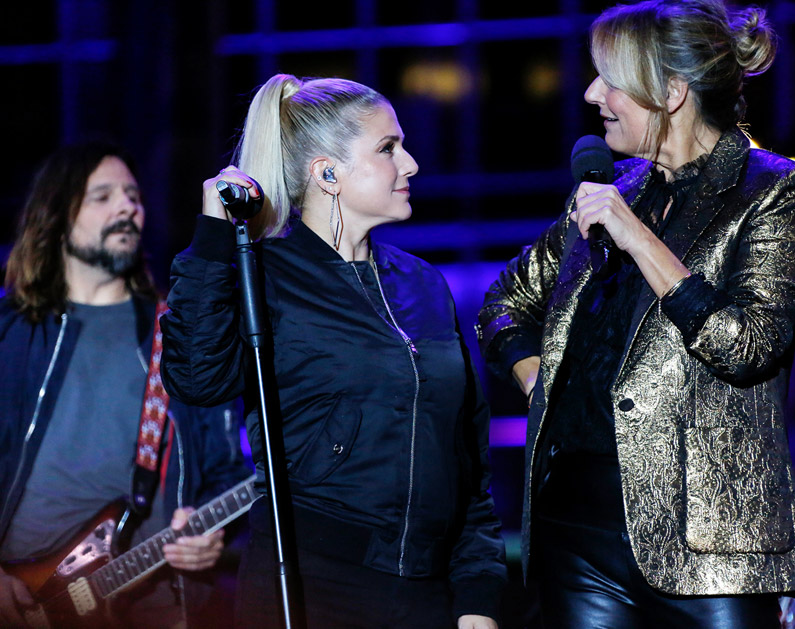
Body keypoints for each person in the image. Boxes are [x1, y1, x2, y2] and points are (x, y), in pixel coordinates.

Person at [477, 2, 795, 627]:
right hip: (578, 531)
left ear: (670, 92)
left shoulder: (776, 190)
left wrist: (638, 238)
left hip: (713, 542)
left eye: (611, 80)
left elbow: (749, 346)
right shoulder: (617, 191)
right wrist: (536, 377)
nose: (592, 95)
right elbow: (506, 302)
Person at [159, 75, 506, 629]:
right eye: (388, 149)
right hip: (313, 587)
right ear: (327, 174)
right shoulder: (266, 277)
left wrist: (479, 596)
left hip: (430, 593)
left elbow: (467, 456)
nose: (411, 163)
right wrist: (212, 236)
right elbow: (196, 379)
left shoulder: (422, 283)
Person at [0, 142, 249, 628]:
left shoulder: (181, 334)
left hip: (155, 611)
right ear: (55, 216)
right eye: (102, 196)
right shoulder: (10, 334)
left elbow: (229, 473)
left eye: (133, 196)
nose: (126, 207)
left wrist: (215, 534)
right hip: (22, 603)